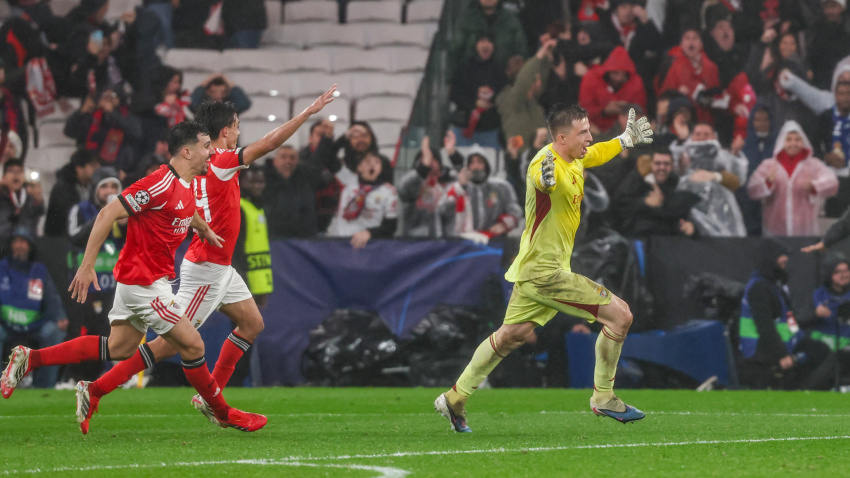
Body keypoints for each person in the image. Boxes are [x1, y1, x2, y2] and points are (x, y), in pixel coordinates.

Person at [69, 87, 336, 427]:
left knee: (252, 324)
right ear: (225, 131)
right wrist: (307, 113)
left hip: (221, 267)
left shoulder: (202, 163)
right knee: (170, 346)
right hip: (205, 270)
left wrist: (203, 226)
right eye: (237, 126)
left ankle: (209, 395)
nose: (239, 132)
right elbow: (268, 144)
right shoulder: (221, 163)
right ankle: (97, 388)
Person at [0, 121, 267, 435]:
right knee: (193, 346)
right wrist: (87, 266)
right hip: (144, 283)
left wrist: (202, 227)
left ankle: (30, 359)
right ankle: (222, 412)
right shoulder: (157, 184)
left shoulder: (185, 183)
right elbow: (107, 213)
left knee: (121, 347)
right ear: (187, 150)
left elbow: (184, 207)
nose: (212, 151)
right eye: (206, 145)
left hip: (140, 281)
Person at [434, 104, 653, 432]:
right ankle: (604, 397)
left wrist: (624, 139)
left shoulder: (575, 157)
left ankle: (454, 398)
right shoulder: (544, 161)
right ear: (561, 138)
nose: (590, 138)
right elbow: (541, 177)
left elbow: (598, 153)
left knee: (512, 335)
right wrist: (547, 181)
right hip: (546, 273)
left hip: (532, 269)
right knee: (620, 316)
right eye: (583, 133)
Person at [738, 239, 835, 390]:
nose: (786, 259)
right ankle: (799, 395)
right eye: (781, 255)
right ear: (770, 259)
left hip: (785, 342)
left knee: (822, 352)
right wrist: (782, 355)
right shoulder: (759, 288)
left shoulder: (773, 284)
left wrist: (816, 317)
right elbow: (765, 327)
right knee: (819, 357)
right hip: (762, 350)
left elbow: (789, 320)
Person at [64, 167, 125, 384]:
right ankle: (74, 376)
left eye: (114, 187)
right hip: (84, 285)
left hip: (112, 285)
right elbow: (74, 237)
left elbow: (130, 242)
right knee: (80, 332)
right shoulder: (81, 210)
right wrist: (105, 216)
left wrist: (121, 220)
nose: (109, 191)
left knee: (109, 334)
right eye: (104, 186)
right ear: (95, 189)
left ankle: (105, 375)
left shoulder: (124, 212)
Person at [0, 227, 67, 389]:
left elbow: (51, 296)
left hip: (34, 326)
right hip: (5, 325)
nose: (19, 245)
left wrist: (60, 316)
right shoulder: (1, 268)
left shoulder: (39, 271)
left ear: (30, 246)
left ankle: (43, 385)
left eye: (23, 242)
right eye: (16, 241)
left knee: (55, 331)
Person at [747, 120, 838, 236]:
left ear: (803, 141)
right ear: (781, 142)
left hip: (805, 232)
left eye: (797, 139)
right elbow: (752, 189)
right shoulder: (769, 165)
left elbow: (832, 182)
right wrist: (767, 183)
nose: (793, 143)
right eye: (789, 139)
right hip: (774, 231)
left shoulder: (813, 165)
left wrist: (814, 186)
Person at [441, 146, 523, 243]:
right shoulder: (456, 186)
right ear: (466, 166)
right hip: (461, 243)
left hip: (492, 241)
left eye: (479, 162)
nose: (475, 166)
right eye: (471, 163)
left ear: (486, 165)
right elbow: (442, 210)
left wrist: (504, 224)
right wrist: (460, 187)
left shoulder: (501, 187)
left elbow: (516, 211)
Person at [611, 148, 699, 238]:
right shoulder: (635, 180)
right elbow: (618, 208)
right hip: (639, 235)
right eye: (657, 163)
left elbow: (679, 212)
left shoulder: (675, 182)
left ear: (672, 166)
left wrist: (690, 227)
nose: (662, 167)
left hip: (668, 237)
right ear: (650, 164)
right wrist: (644, 202)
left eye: (667, 164)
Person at [326, 151, 399, 248]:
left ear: (381, 169)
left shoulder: (388, 192)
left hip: (365, 245)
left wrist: (370, 233)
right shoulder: (349, 180)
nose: (372, 165)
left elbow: (391, 226)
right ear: (359, 167)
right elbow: (331, 160)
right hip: (339, 241)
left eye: (377, 162)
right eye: (367, 162)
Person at [578, 46, 647, 134]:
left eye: (623, 74)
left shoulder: (636, 82)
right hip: (596, 130)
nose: (619, 78)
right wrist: (604, 111)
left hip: (626, 132)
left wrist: (627, 108)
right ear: (608, 71)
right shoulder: (591, 78)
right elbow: (584, 109)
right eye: (615, 73)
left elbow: (641, 110)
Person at [234, 167, 273, 308]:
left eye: (260, 182)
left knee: (251, 327)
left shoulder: (258, 209)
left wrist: (262, 288)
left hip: (258, 283)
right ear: (241, 182)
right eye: (252, 182)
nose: (257, 186)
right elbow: (235, 251)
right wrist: (241, 283)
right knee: (243, 326)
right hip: (243, 281)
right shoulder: (238, 208)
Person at [44, 149, 100, 237]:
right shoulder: (63, 188)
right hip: (60, 241)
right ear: (79, 169)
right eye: (92, 166)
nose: (97, 169)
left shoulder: (89, 185)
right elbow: (68, 218)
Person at [0, 159, 45, 251]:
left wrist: (38, 199)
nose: (16, 175)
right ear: (4, 177)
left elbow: (40, 212)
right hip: (3, 243)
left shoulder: (30, 196)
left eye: (20, 171)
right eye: (11, 171)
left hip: (26, 245)